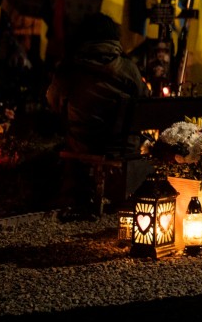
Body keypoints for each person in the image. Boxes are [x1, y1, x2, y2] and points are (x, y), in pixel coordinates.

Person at [46, 12, 151, 211]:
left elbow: (53, 101)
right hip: (122, 149)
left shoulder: (69, 67)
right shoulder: (128, 69)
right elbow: (144, 103)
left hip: (81, 146)